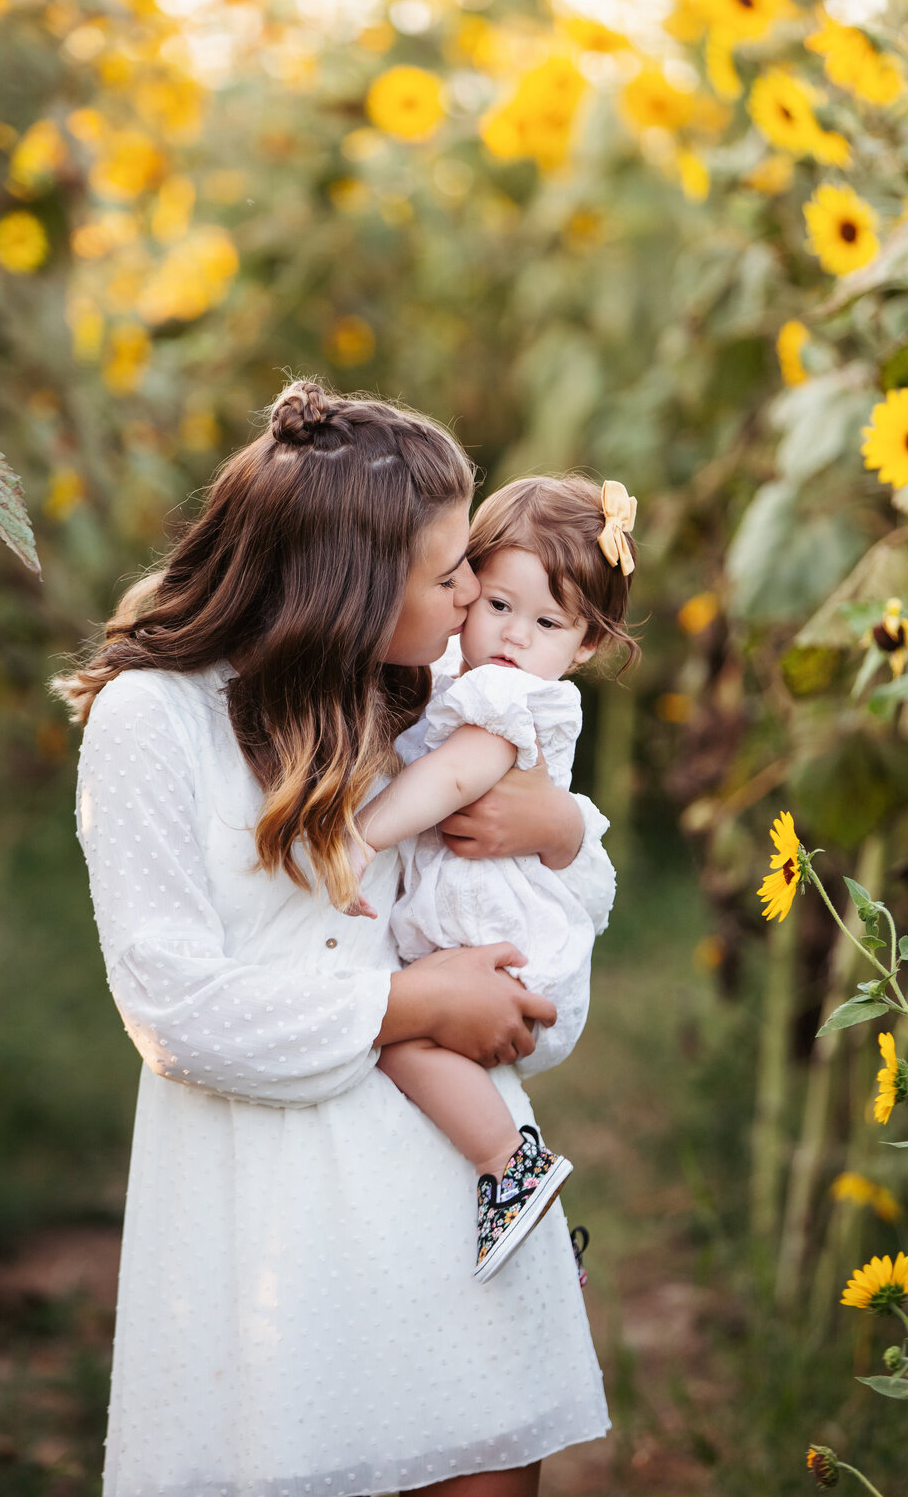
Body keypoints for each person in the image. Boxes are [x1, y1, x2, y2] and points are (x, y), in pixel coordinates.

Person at [54, 378, 617, 1497]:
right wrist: (410, 1007)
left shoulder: (412, 701)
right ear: (354, 583)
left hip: (444, 1173)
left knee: (486, 1466)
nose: (473, 600)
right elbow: (174, 1008)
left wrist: (564, 833)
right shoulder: (152, 722)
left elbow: (523, 933)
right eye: (449, 571)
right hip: (265, 1207)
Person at [341, 475, 638, 1282]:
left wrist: (359, 837)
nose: (512, 635)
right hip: (482, 937)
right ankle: (530, 1237)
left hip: (507, 953)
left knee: (393, 1049)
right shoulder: (461, 675)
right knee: (413, 1098)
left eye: (546, 623)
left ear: (585, 646)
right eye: (499, 605)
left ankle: (516, 1169)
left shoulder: (513, 697)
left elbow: (451, 782)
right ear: (468, 582)